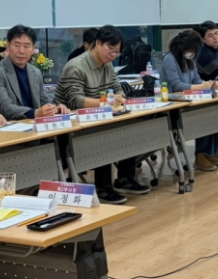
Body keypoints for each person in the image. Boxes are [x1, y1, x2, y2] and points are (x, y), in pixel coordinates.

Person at [55, 25, 150, 204]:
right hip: (72, 125)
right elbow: (75, 101)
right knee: (103, 134)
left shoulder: (107, 65)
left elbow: (117, 88)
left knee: (128, 127)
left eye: (116, 52)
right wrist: (106, 103)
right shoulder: (76, 66)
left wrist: (120, 97)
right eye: (110, 49)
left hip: (98, 117)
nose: (113, 55)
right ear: (98, 43)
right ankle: (103, 187)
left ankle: (125, 178)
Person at [160, 30, 218, 172]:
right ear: (184, 48)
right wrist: (201, 87)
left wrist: (209, 84)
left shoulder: (189, 60)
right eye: (192, 50)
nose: (193, 53)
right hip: (173, 105)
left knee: (212, 111)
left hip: (189, 101)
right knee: (202, 116)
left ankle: (208, 152)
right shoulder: (170, 59)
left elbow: (196, 80)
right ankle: (200, 155)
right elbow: (176, 85)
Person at [0, 25, 70, 120]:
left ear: (33, 49)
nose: (21, 51)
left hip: (34, 124)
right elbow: (5, 107)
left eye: (26, 46)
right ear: (8, 46)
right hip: (8, 125)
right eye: (17, 45)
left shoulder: (35, 72)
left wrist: (53, 108)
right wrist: (35, 113)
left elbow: (43, 101)